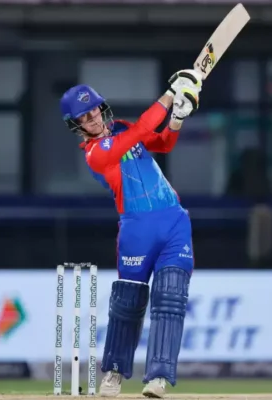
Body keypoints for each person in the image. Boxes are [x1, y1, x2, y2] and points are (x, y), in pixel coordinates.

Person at [59, 69, 202, 398]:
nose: (93, 118)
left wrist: (177, 118)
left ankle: (158, 378)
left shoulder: (122, 128)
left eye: (94, 110)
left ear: (101, 108)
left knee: (170, 300)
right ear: (76, 125)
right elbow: (143, 130)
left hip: (174, 221)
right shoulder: (95, 154)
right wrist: (170, 95)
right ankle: (113, 373)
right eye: (84, 117)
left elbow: (162, 143)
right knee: (127, 304)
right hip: (137, 229)